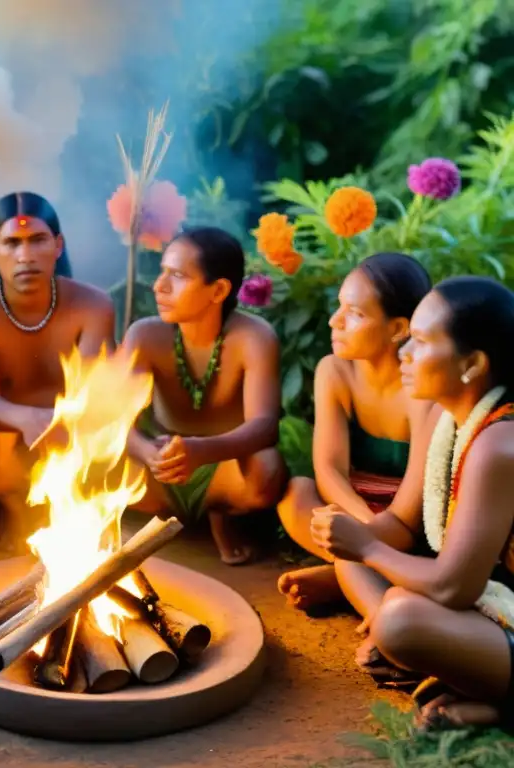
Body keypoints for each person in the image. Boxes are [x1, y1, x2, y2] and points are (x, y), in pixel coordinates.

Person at [314, 276, 514, 731]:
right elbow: (403, 523)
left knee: (401, 619)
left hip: (492, 601)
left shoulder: (499, 443)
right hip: (494, 598)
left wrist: (366, 548)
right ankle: (470, 684)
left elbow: (452, 589)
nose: (402, 353)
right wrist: (348, 541)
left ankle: (499, 707)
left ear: (472, 364)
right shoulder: (445, 413)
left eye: (420, 342)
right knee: (361, 562)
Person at [0, 191, 115, 548]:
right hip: (3, 433)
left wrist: (63, 418)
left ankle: (74, 512)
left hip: (72, 426)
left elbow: (93, 386)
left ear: (58, 245)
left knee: (108, 426)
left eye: (38, 240)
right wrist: (26, 419)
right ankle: (14, 510)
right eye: (12, 243)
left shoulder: (93, 305)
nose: (25, 256)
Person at [277, 253, 434, 609]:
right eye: (339, 307)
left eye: (355, 314)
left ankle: (353, 584)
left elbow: (412, 515)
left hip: (409, 522)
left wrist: (368, 536)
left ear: (398, 328)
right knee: (295, 495)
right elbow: (328, 470)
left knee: (392, 540)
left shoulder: (421, 390)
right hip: (356, 508)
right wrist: (362, 526)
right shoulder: (334, 371)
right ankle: (367, 570)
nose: (335, 321)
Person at [123, 227, 285, 565]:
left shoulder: (253, 337)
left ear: (219, 290)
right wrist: (148, 452)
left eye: (178, 276)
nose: (159, 286)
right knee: (92, 455)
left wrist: (202, 451)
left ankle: (219, 515)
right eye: (162, 272)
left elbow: (265, 426)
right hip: (160, 464)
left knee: (267, 470)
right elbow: (115, 419)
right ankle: (156, 522)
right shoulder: (144, 335)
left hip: (225, 467)